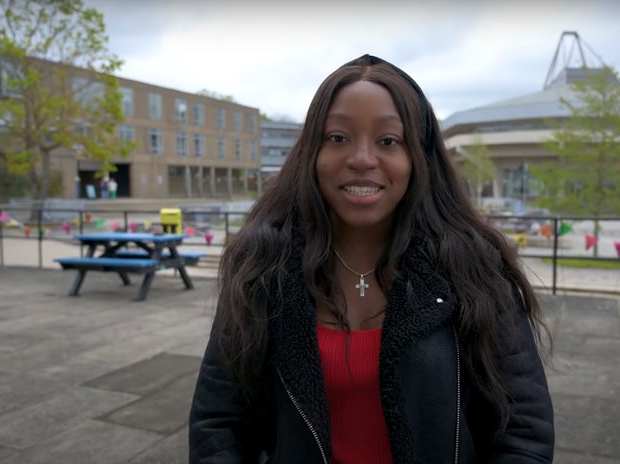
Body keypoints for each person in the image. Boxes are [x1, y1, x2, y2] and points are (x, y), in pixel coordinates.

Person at [189, 55, 554, 463]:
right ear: (312, 152)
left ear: (418, 158)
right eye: (338, 138)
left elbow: (523, 431)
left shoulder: (474, 268)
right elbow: (217, 424)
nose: (362, 158)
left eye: (388, 141)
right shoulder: (260, 268)